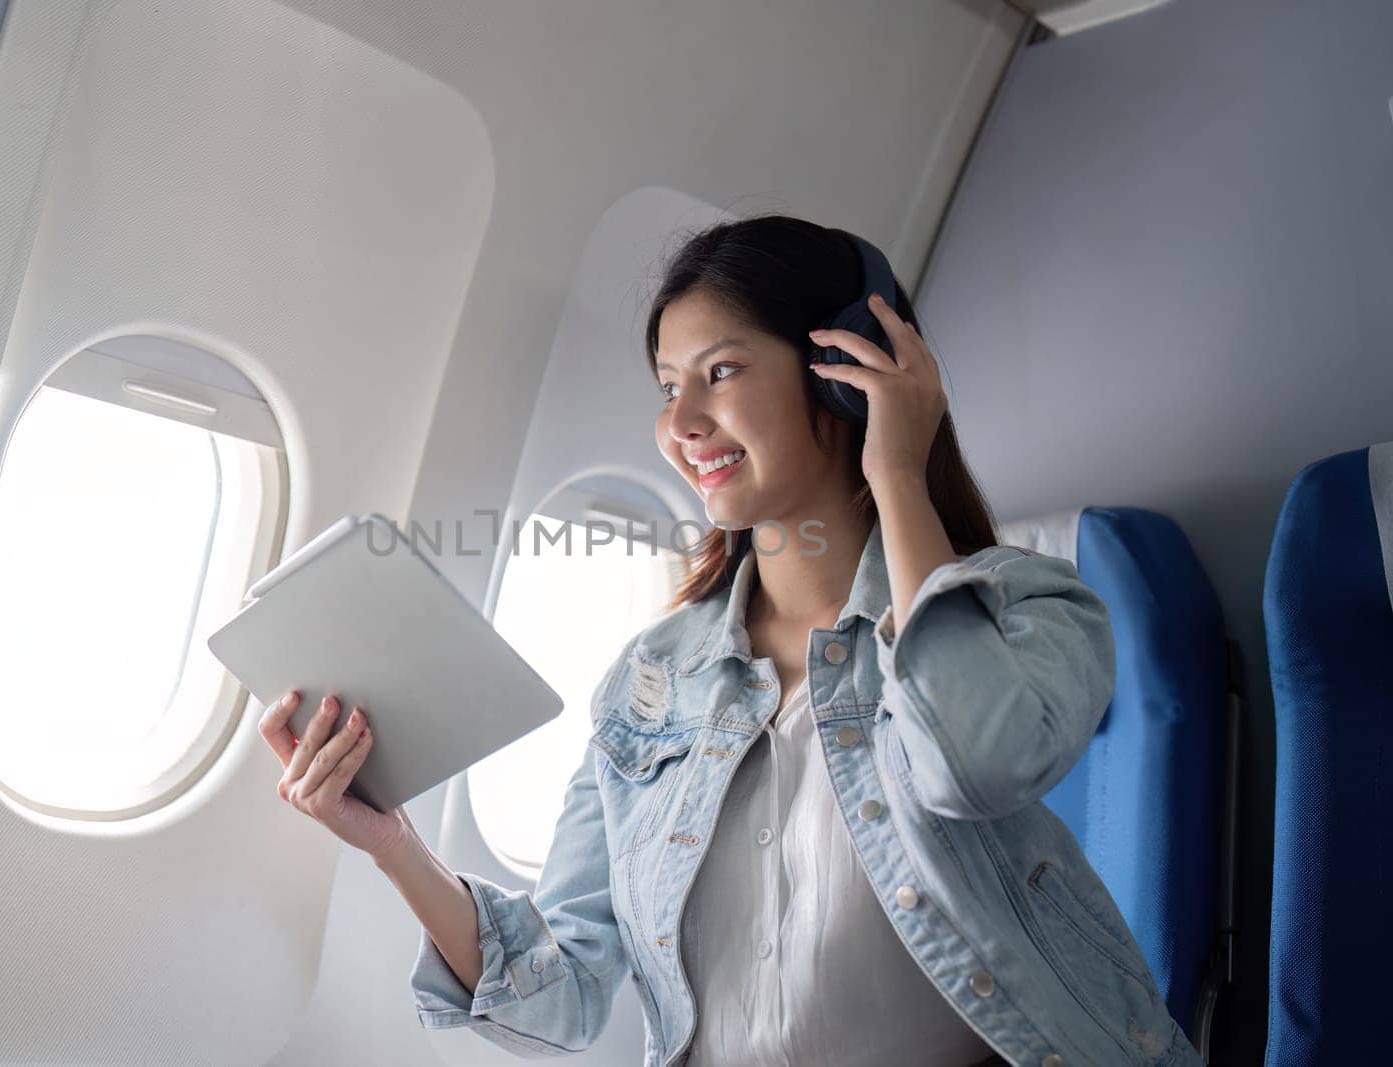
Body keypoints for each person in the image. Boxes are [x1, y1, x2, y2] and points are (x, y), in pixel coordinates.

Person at [254, 214, 1203, 1066]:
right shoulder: (654, 681)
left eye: (721, 372)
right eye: (669, 386)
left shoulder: (1029, 604)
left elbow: (971, 761)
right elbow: (565, 994)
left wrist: (900, 469)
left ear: (846, 376)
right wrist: (392, 845)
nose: (679, 424)